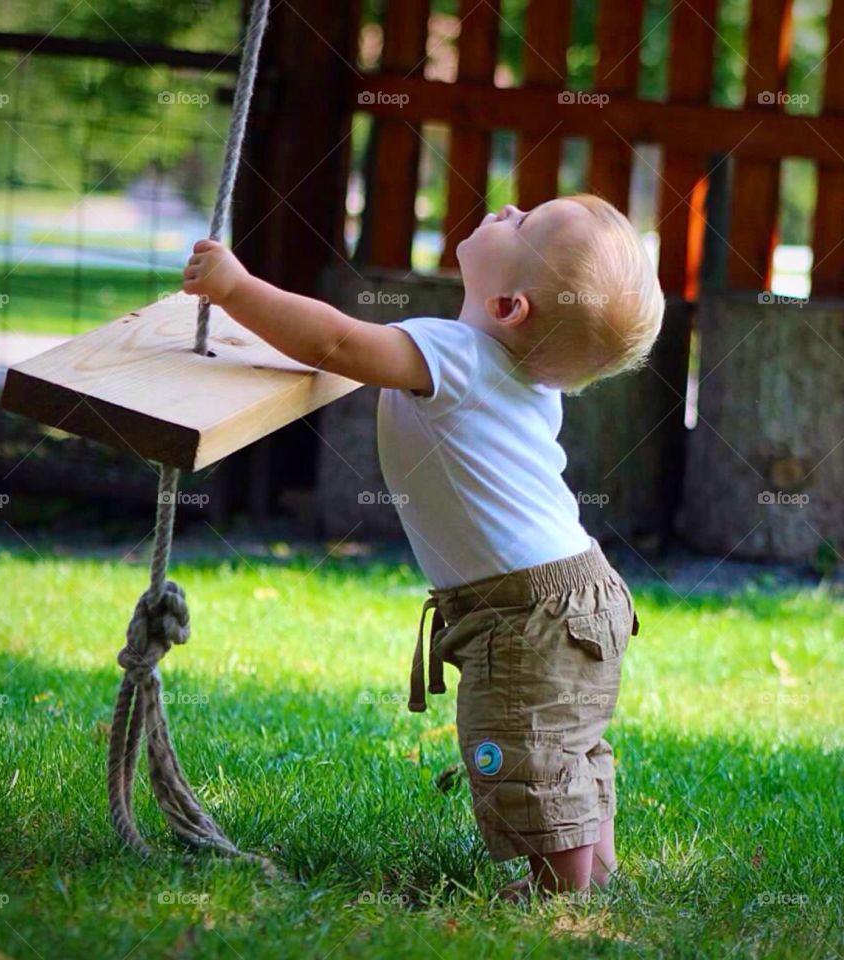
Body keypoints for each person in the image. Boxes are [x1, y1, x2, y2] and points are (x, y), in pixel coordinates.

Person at [182, 193, 664, 900]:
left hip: (525, 613)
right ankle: (596, 871)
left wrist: (235, 288)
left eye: (521, 223)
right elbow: (346, 349)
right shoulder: (523, 376)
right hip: (579, 592)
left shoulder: (453, 354)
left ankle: (563, 897)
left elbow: (335, 344)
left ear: (509, 308)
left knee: (525, 749)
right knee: (566, 741)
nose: (505, 208)